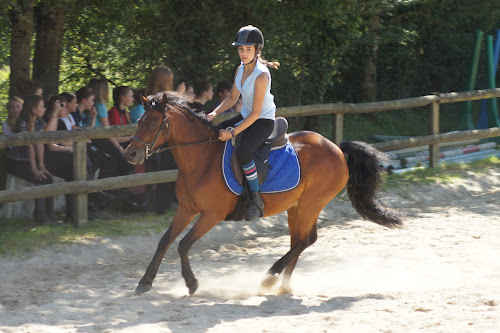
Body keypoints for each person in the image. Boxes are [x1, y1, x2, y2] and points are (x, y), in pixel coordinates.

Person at [207, 25, 280, 221]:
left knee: (243, 152)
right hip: (246, 114)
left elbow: (256, 113)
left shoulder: (262, 75)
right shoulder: (240, 69)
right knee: (213, 132)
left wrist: (232, 133)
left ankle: (256, 198)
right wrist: (214, 113)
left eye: (248, 49)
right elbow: (232, 98)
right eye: (241, 49)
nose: (244, 53)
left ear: (257, 50)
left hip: (263, 120)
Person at [7, 95, 60, 226]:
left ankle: (50, 214)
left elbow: (40, 144)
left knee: (48, 177)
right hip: (17, 161)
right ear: (33, 109)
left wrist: (41, 166)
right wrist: (35, 169)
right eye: (41, 106)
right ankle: (40, 216)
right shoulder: (22, 122)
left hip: (29, 160)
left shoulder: (39, 122)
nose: (44, 109)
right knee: (41, 179)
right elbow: (30, 146)